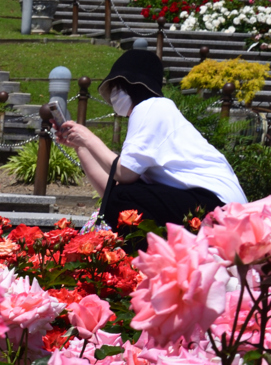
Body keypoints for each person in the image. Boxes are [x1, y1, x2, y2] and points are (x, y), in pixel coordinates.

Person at [56, 50, 246, 238]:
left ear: (132, 86)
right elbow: (112, 189)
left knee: (124, 200)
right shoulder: (155, 111)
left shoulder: (151, 107)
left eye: (117, 86)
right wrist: (80, 146)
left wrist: (88, 138)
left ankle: (142, 255)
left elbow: (123, 174)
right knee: (123, 197)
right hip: (224, 207)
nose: (113, 93)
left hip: (217, 204)